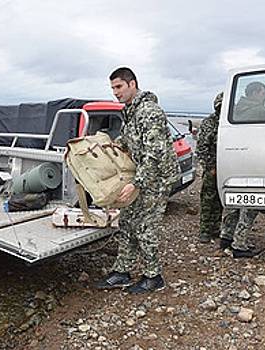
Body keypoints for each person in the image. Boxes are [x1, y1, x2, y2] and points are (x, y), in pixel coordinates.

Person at [95, 67, 179, 294]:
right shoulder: (131, 111)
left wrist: (136, 183)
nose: (115, 92)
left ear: (132, 84)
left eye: (119, 87)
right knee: (127, 223)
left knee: (145, 227)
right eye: (112, 88)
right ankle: (122, 271)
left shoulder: (149, 112)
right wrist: (114, 145)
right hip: (142, 176)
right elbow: (131, 138)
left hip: (156, 179)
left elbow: (154, 154)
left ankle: (154, 277)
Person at [197, 92, 224, 243]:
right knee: (208, 199)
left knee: (220, 199)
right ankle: (204, 230)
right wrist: (210, 166)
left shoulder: (227, 122)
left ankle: (215, 228)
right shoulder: (210, 123)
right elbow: (201, 148)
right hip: (212, 168)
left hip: (225, 167)